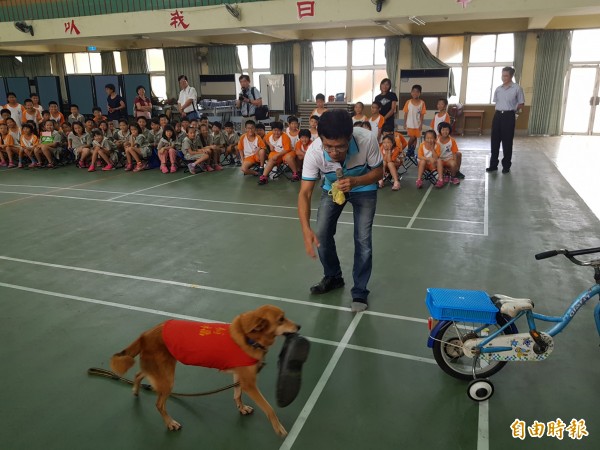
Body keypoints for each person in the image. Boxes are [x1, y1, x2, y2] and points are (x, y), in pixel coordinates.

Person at [298, 110, 383, 313]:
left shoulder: (367, 139)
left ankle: (360, 290)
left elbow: (379, 172)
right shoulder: (314, 151)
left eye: (340, 147)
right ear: (320, 139)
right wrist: (305, 229)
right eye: (328, 146)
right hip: (332, 188)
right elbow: (305, 193)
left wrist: (356, 182)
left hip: (364, 187)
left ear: (350, 137)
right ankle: (333, 276)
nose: (334, 152)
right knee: (322, 234)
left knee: (362, 239)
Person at [487, 66, 525, 174]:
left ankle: (506, 166)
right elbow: (496, 102)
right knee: (494, 141)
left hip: (509, 116)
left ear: (511, 76)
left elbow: (521, 104)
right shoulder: (498, 89)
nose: (503, 78)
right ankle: (493, 165)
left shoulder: (517, 88)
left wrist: (514, 113)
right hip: (498, 115)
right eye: (502, 75)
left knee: (507, 142)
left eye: (506, 76)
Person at [403, 84, 426, 153]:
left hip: (417, 124)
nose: (415, 93)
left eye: (417, 92)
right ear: (411, 92)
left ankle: (412, 151)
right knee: (412, 137)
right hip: (410, 124)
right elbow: (405, 114)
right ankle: (409, 149)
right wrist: (404, 123)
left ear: (420, 93)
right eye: (413, 91)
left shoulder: (422, 103)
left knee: (415, 138)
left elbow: (422, 115)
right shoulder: (408, 102)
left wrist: (421, 124)